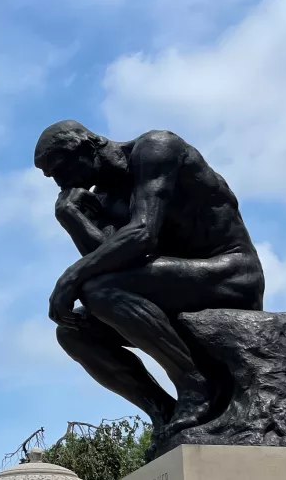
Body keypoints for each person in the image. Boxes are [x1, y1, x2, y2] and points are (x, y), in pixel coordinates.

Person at [34, 120, 265, 442]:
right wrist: (71, 217)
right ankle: (163, 412)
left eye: (60, 169)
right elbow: (110, 260)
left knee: (99, 289)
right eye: (51, 177)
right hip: (171, 285)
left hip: (229, 272)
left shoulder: (156, 148)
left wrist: (70, 278)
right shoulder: (103, 197)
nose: (60, 182)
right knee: (73, 332)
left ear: (88, 147)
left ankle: (195, 384)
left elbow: (143, 235)